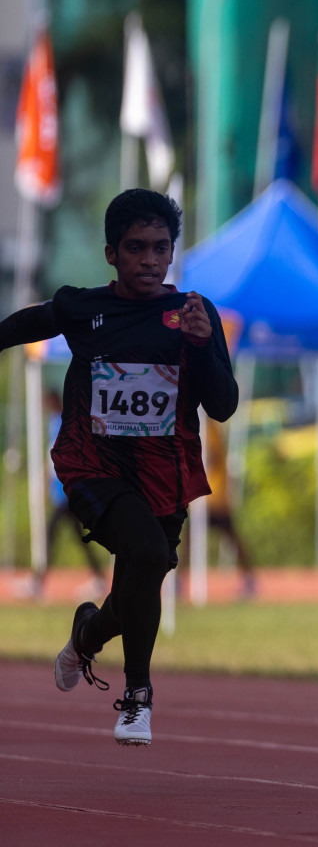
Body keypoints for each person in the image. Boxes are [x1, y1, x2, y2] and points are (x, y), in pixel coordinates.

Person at [0, 189, 238, 746]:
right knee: (149, 554)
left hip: (165, 474)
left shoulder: (194, 315)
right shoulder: (84, 309)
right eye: (136, 248)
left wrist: (202, 348)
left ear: (173, 253)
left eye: (161, 248)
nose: (150, 260)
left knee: (140, 579)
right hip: (94, 464)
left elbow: (223, 405)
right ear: (111, 253)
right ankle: (137, 696)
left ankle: (88, 634)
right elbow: (16, 328)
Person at [34, 388, 108, 596]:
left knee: (51, 534)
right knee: (77, 537)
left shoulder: (62, 422)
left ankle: (38, 581)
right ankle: (99, 578)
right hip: (64, 490)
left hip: (66, 490)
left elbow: (60, 456)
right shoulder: (55, 422)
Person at [200, 416, 256, 599]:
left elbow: (211, 456)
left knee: (231, 538)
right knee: (193, 539)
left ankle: (250, 578)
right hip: (208, 495)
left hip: (213, 495)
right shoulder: (206, 426)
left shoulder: (208, 427)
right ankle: (249, 578)